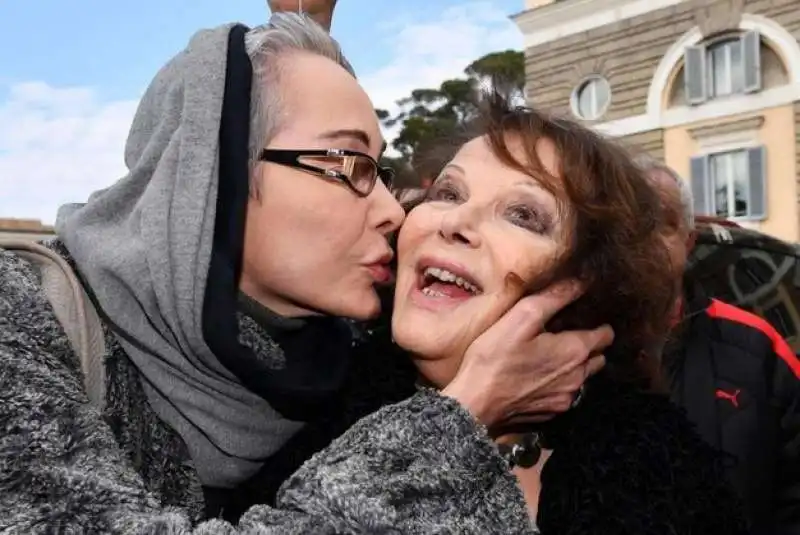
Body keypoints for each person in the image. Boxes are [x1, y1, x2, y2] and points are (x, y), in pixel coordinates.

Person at [0, 14, 607, 533]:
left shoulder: (337, 369)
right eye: (349, 163)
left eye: (384, 173)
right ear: (212, 174)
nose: (397, 212)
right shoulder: (20, 318)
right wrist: (464, 417)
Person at [386, 97, 747, 534]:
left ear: (582, 285)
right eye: (448, 193)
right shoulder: (299, 415)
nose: (456, 220)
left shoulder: (666, 475)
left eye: (523, 215)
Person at [638, 156, 800, 534]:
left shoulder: (760, 347)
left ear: (688, 240)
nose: (642, 239)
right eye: (628, 222)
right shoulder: (572, 350)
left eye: (661, 222)